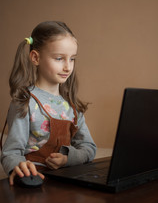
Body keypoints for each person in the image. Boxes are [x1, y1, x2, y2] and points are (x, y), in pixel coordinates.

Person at [1, 21, 96, 185]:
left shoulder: (72, 106)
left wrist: (67, 159)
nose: (68, 67)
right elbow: (11, 153)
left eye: (72, 59)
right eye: (59, 58)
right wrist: (19, 166)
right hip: (36, 183)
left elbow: (89, 147)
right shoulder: (24, 102)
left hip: (67, 183)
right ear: (36, 57)